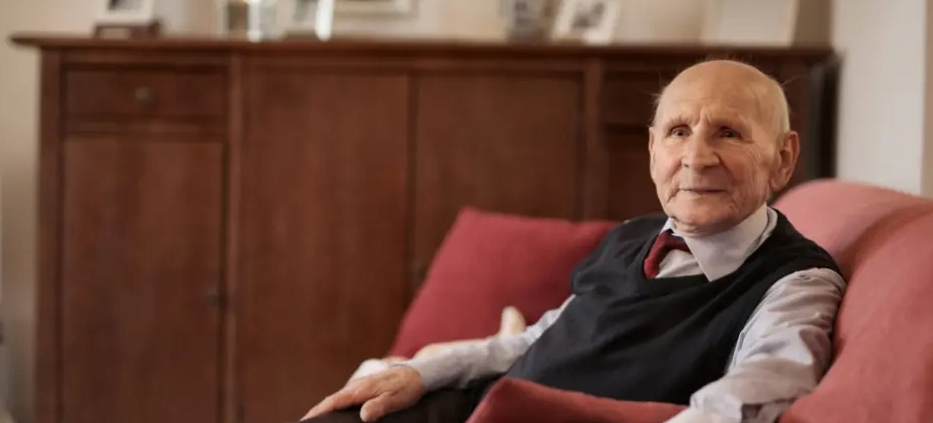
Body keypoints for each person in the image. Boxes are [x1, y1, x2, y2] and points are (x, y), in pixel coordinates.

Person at [299, 59, 846, 423]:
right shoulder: (633, 237)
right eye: (679, 132)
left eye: (728, 133)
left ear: (784, 157)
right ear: (653, 149)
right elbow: (540, 337)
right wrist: (421, 371)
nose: (696, 158)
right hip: (478, 402)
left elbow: (759, 391)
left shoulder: (794, 280)